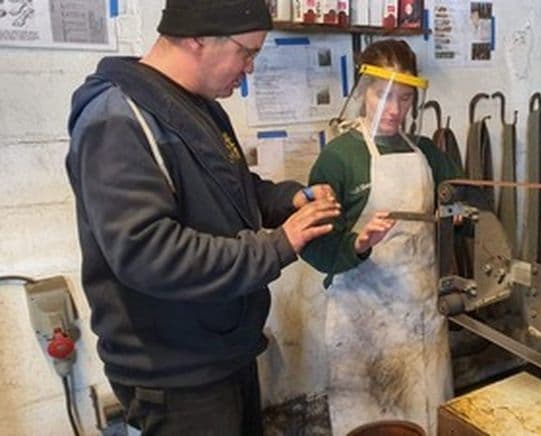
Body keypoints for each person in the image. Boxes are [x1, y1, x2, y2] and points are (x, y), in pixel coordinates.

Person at [65, 1, 341, 435]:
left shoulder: (200, 107)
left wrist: (291, 200)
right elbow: (149, 254)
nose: (249, 68)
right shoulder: (118, 119)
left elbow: (233, 190)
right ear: (197, 37)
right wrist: (277, 245)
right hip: (176, 378)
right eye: (246, 52)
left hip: (224, 353)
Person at [301, 39, 462, 435]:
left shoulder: (426, 152)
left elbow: (459, 198)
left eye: (405, 100)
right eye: (383, 96)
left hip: (422, 316)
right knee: (371, 424)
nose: (394, 111)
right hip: (364, 324)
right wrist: (358, 242)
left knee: (428, 419)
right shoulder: (338, 158)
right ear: (363, 91)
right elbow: (314, 244)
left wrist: (455, 215)